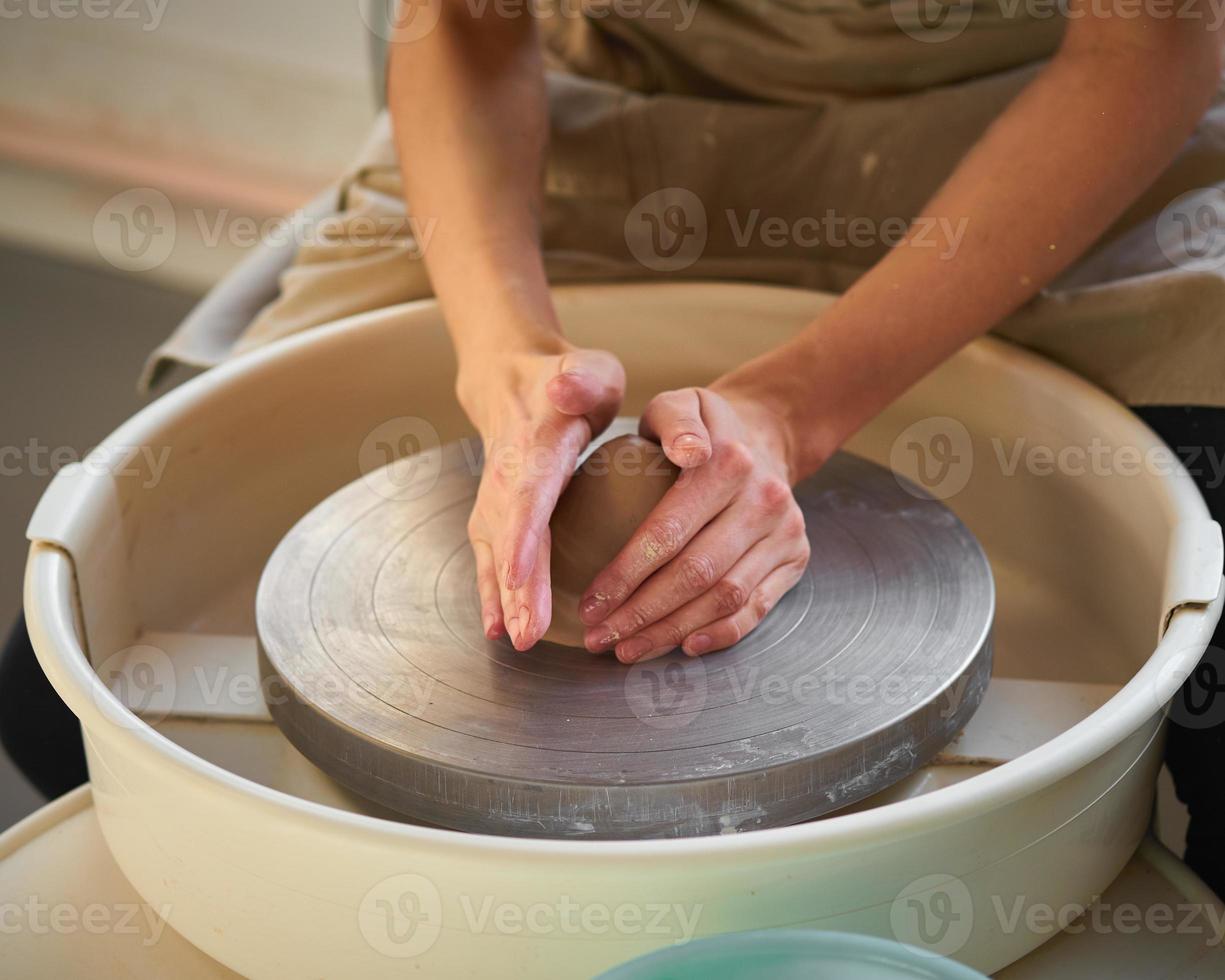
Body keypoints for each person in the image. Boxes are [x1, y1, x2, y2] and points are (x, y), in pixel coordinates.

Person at [10, 0, 1225, 895]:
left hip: (1034, 131)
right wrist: (505, 363)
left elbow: (1147, 47)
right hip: (603, 113)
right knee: (50, 690)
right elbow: (466, 28)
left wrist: (795, 405)